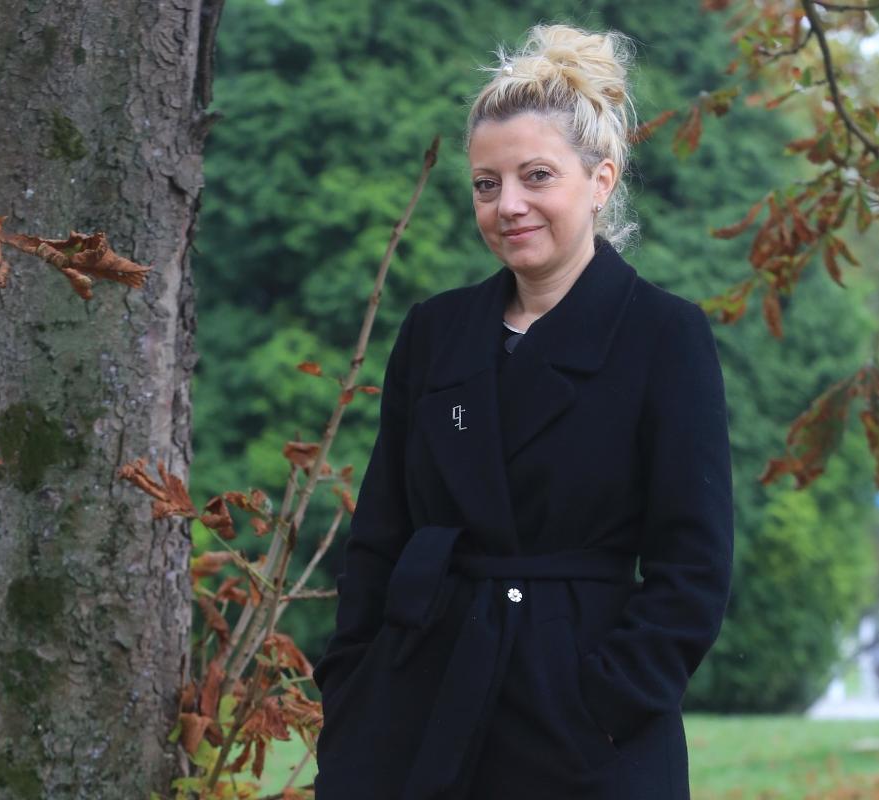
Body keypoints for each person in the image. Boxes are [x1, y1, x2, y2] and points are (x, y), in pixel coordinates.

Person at [311, 23, 734, 800]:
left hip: (585, 727)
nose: (508, 205)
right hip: (418, 702)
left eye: (536, 176)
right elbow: (378, 538)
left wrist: (605, 702)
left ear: (600, 180)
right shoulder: (435, 332)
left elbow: (693, 567)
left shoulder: (662, 335)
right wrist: (352, 689)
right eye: (486, 184)